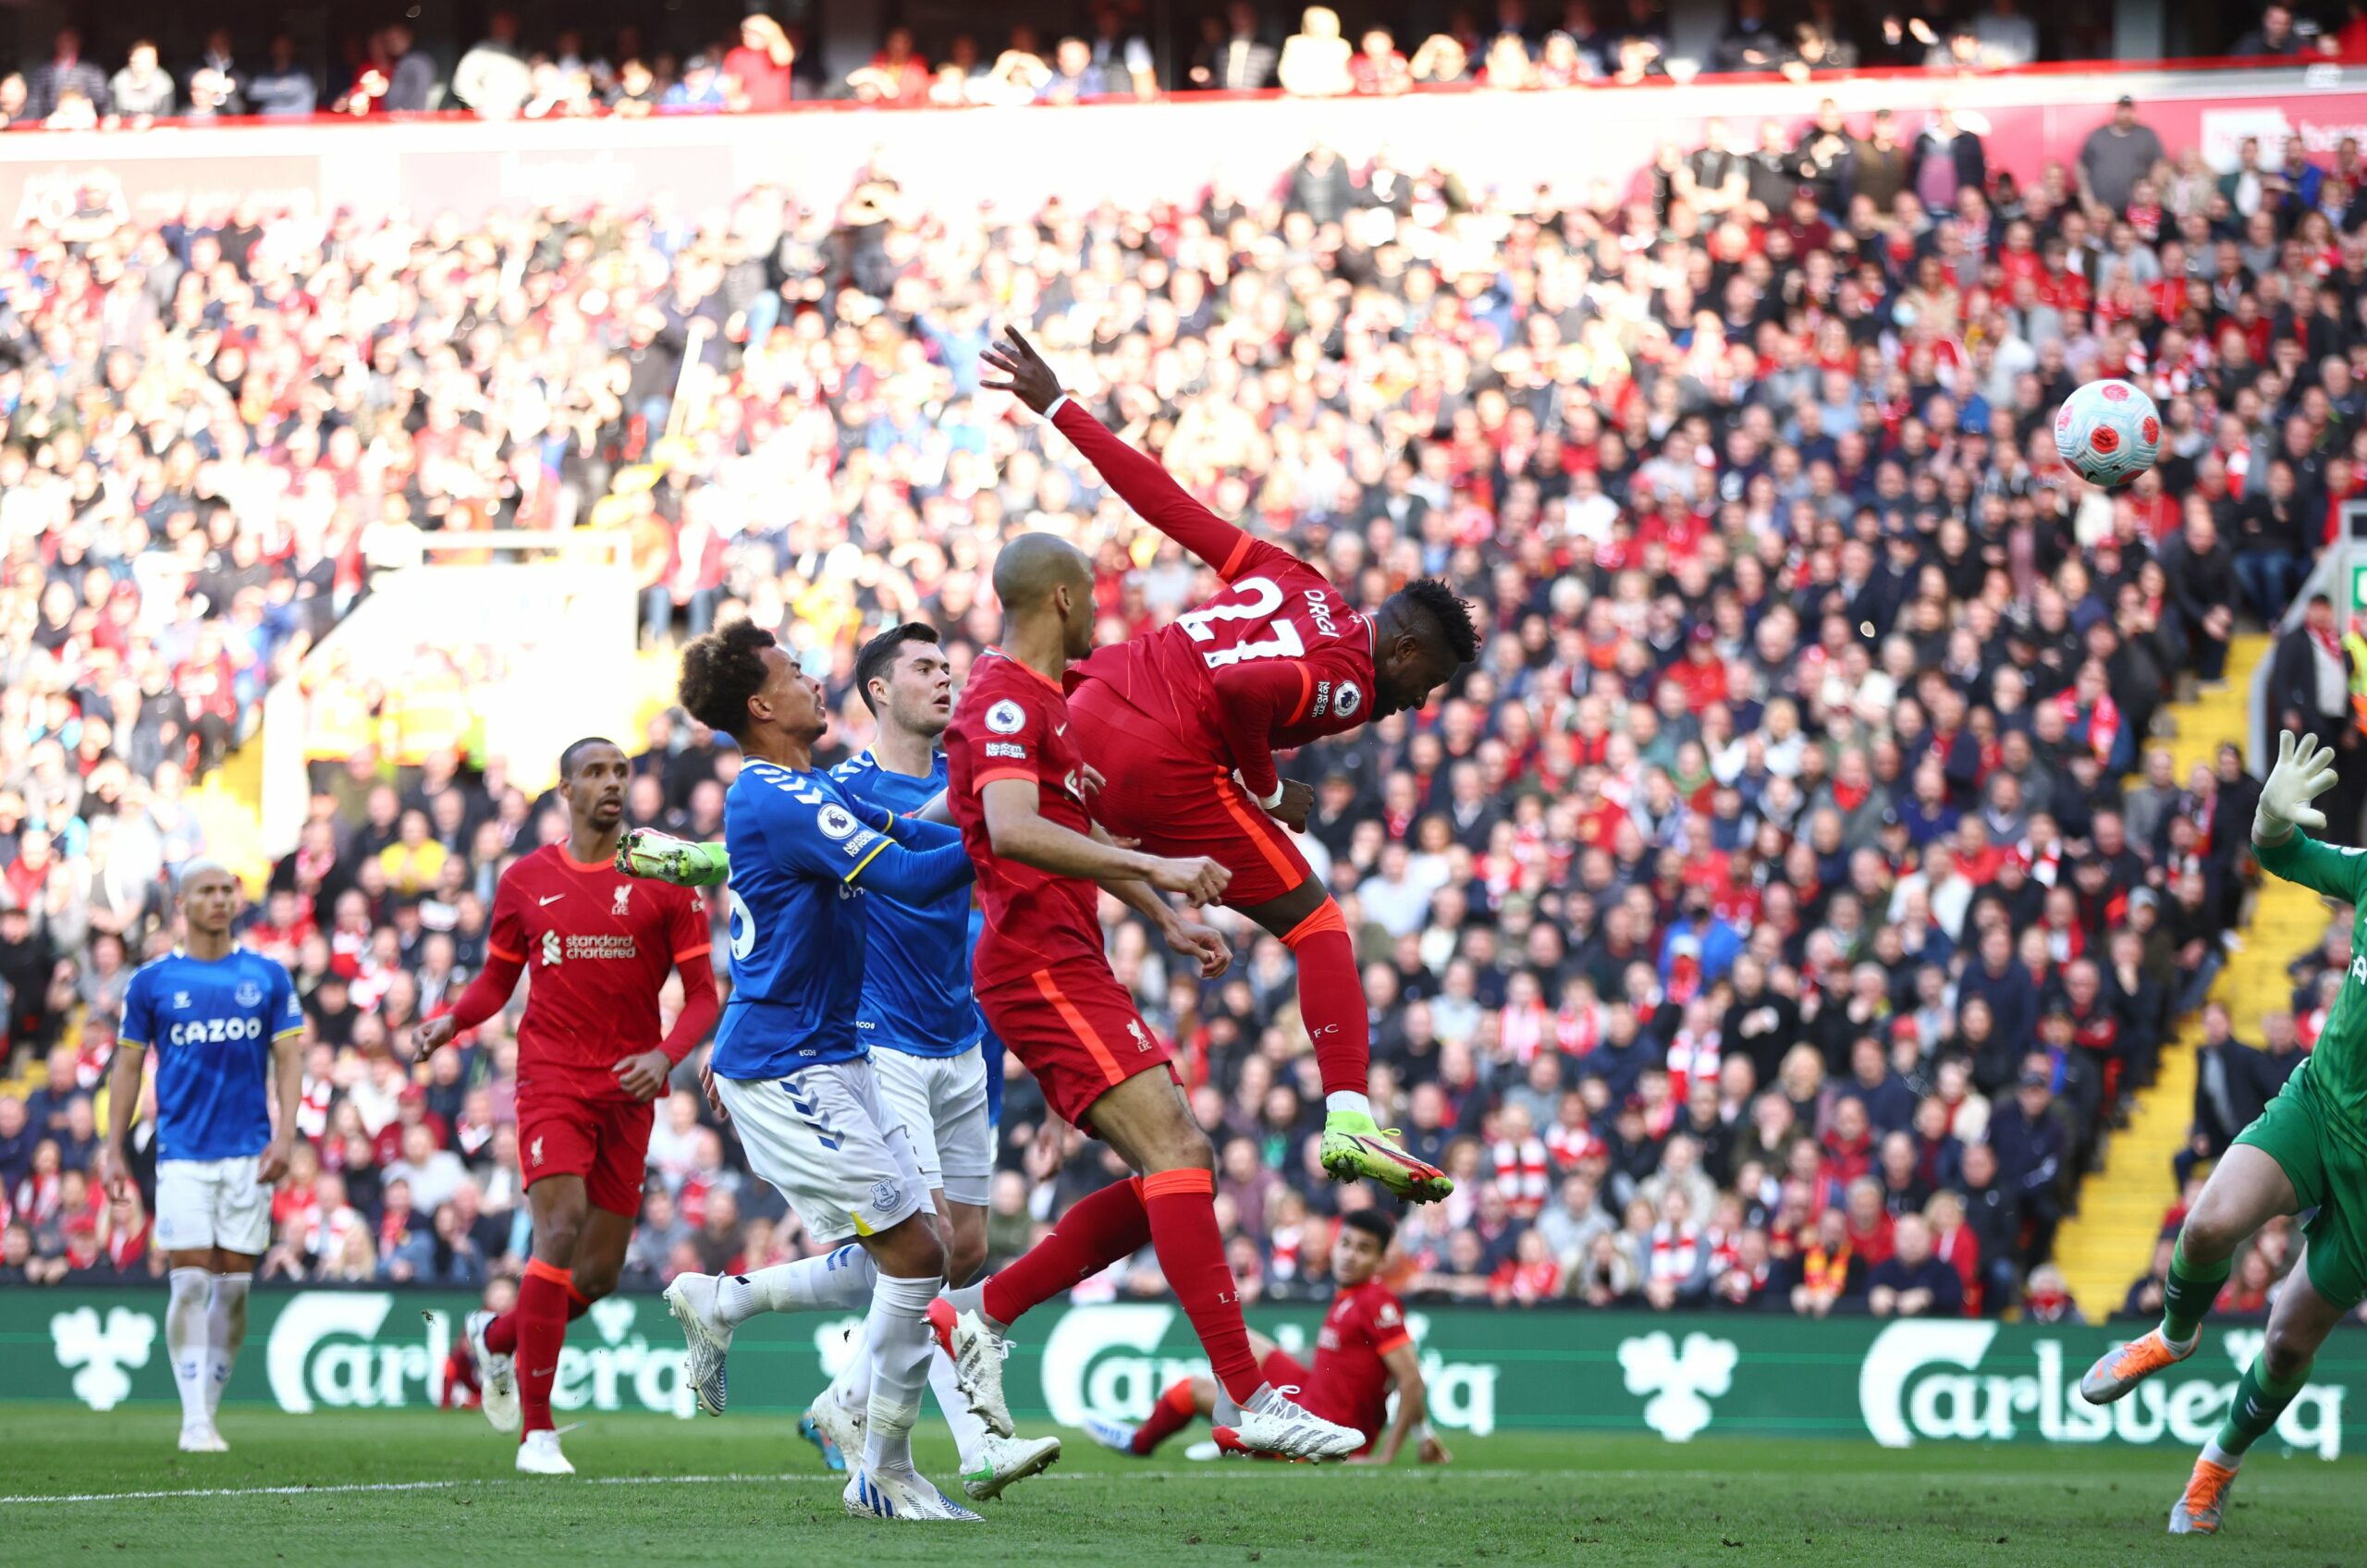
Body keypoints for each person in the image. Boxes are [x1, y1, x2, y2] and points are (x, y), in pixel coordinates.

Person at [982, 327, 1475, 1204]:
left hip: (1094, 701)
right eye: (1425, 683)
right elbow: (1248, 696)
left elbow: (1168, 506)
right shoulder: (1352, 679)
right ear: (1401, 649)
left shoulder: (1295, 575)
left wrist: (1059, 406)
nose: (1419, 703)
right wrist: (1270, 786)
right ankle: (1352, 1116)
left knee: (1005, 838)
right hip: (1163, 752)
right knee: (1320, 929)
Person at [932, 529, 1362, 1463]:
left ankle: (978, 1316)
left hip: (1065, 952)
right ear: (1058, 599)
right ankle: (1249, 1396)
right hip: (1035, 961)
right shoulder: (1006, 695)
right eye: (1087, 595)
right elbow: (1011, 828)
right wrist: (1154, 861)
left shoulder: (1048, 699)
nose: (1098, 610)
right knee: (1178, 1151)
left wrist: (1159, 911)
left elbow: (1060, 821)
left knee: (1173, 1164)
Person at [653, 623, 1061, 1504]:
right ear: (763, 706)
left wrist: (1026, 806)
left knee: (918, 1252)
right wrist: (1022, 832)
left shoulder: (799, 788)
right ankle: (886, 1468)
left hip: (834, 1055)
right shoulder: (777, 796)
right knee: (918, 1255)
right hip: (791, 1061)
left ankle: (730, 1311)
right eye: (795, 673)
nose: (813, 682)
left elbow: (918, 841)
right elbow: (914, 882)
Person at [2079, 731, 2364, 1537]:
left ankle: (2214, 1469)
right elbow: (2282, 854)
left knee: (2285, 1344)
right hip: (2318, 1108)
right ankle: (2172, 1335)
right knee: (2206, 1224)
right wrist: (2271, 819)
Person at [412, 738, 720, 1476]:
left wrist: (665, 1056)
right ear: (565, 790)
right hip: (550, 1076)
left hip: (631, 1086)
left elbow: (706, 995)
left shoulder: (668, 879)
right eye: (596, 772)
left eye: (622, 772)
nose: (613, 783)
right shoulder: (526, 879)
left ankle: (491, 1339)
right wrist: (453, 1019)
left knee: (600, 1275)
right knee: (557, 1225)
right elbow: (496, 980)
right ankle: (538, 1434)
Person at [98, 860, 306, 1453]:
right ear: (181, 903)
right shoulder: (151, 982)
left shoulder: (267, 975)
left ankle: (207, 1410)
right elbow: (129, 1066)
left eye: (226, 890)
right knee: (189, 1283)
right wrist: (113, 1147)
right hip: (182, 1153)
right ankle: (193, 1417)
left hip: (249, 1152)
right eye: (206, 891)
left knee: (234, 1290)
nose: (219, 899)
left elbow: (289, 1059)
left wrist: (286, 1135)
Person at [1085, 1208, 1453, 1464]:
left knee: (1191, 1389)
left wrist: (1386, 1457)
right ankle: (1238, 1427)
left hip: (1314, 1436)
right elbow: (1349, 1365)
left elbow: (1411, 1380)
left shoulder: (1376, 1301)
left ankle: (1141, 1443)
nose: (1349, 1256)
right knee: (1239, 1338)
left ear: (1382, 1259)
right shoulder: (1350, 1298)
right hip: (1309, 1398)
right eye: (1346, 1244)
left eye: (1363, 1249)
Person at [2079, 96, 2166, 215]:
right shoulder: (2097, 136)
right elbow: (2080, 166)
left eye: (2129, 111)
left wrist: (2153, 195)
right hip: (2101, 211)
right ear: (2115, 111)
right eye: (2122, 110)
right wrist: (2086, 196)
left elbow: (2160, 165)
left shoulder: (2147, 136)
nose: (2126, 115)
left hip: (2137, 212)